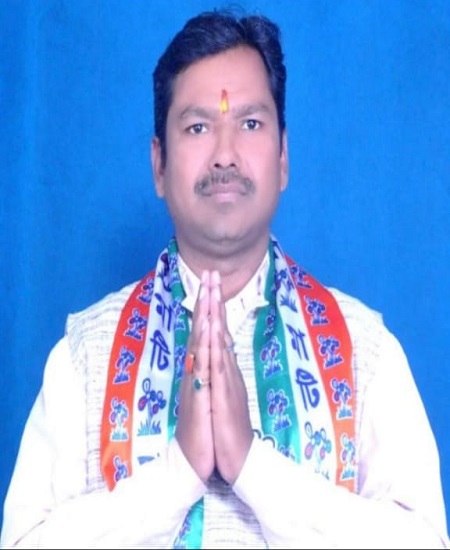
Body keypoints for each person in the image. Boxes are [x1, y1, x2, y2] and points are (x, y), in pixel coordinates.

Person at [1, 7, 448, 549]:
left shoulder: (364, 349)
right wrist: (179, 473)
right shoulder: (84, 355)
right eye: (198, 127)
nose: (225, 155)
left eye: (251, 124)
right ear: (159, 165)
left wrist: (252, 467)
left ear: (283, 158)